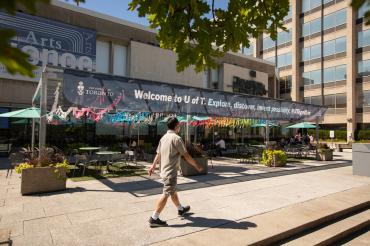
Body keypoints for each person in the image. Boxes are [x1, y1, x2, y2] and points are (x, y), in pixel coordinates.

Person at [148, 117, 203, 227]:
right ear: (177, 125)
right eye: (179, 125)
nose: (180, 126)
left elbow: (158, 154)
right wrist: (197, 165)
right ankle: (154, 218)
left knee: (172, 191)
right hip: (170, 172)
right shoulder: (177, 139)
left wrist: (153, 166)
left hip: (163, 171)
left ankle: (180, 209)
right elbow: (186, 155)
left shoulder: (164, 137)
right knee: (167, 193)